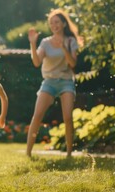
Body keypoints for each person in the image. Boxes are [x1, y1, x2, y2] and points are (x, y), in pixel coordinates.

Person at [26, 8, 83, 158]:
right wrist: (33, 44)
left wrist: (63, 47)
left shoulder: (71, 41)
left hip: (65, 82)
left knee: (68, 117)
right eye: (51, 23)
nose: (54, 25)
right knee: (37, 115)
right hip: (49, 82)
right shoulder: (45, 42)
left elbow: (72, 64)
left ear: (64, 24)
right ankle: (28, 153)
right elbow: (37, 62)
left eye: (57, 22)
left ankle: (69, 154)